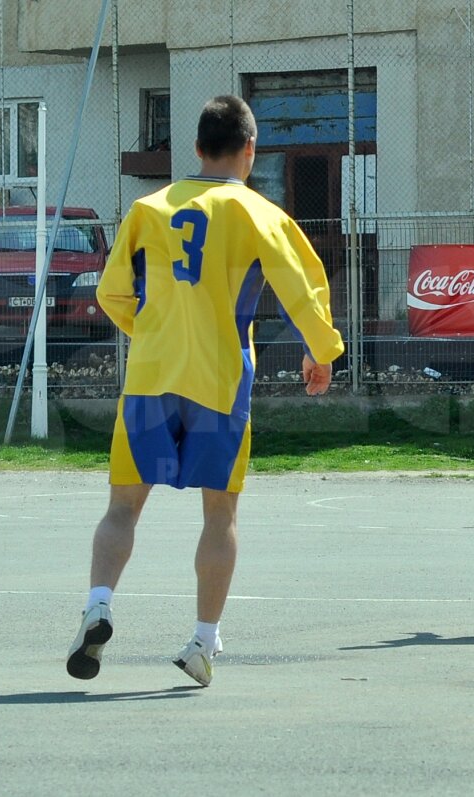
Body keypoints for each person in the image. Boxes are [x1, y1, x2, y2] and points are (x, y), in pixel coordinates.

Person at [66, 95, 345, 686]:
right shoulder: (257, 212)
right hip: (220, 380)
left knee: (122, 506)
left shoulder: (148, 208)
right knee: (220, 513)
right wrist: (321, 350)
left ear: (194, 149)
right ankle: (201, 642)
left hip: (150, 376)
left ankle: (98, 604)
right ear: (251, 149)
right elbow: (301, 281)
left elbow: (112, 293)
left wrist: (154, 335)